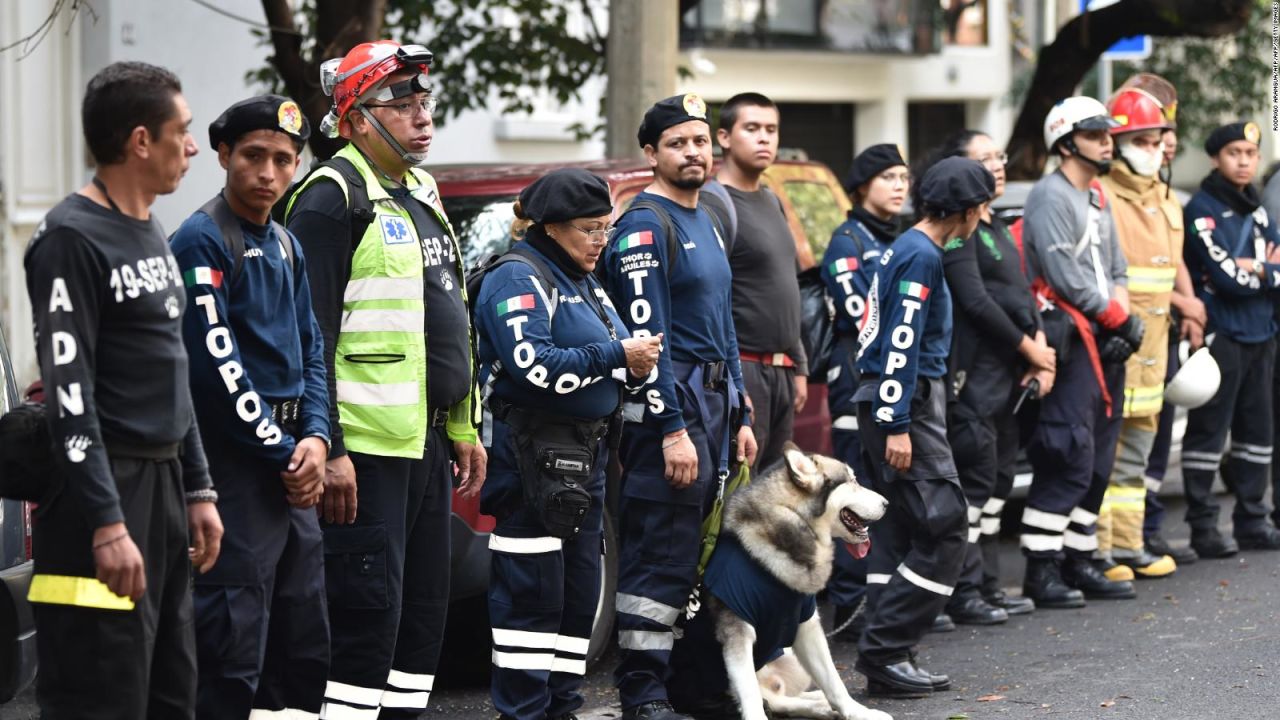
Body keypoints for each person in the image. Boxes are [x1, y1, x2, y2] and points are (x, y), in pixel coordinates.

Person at [282, 40, 487, 718]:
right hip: (364, 455)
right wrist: (330, 446)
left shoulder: (421, 191)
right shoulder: (329, 198)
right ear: (355, 120)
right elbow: (307, 339)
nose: (421, 115)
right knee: (365, 619)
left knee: (421, 621)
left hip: (425, 443)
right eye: (400, 104)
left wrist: (462, 424)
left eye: (423, 100)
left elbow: (447, 313)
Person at [22, 61, 223, 719]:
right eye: (183, 131)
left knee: (170, 690)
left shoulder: (151, 232)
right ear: (142, 141)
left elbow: (173, 371)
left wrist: (197, 488)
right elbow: (68, 392)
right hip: (100, 499)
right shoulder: (68, 239)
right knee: (103, 691)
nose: (193, 147)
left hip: (163, 493)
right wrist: (107, 523)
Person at [476, 169, 662, 720]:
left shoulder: (583, 277)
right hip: (533, 461)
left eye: (606, 228)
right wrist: (616, 358)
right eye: (590, 229)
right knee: (530, 600)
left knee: (579, 599)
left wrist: (630, 366)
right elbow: (532, 367)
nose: (602, 241)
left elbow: (617, 347)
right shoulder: (519, 277)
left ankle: (561, 707)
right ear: (552, 227)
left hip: (586, 461)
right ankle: (525, 711)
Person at [170, 95, 331, 718]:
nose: (269, 172)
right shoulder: (201, 241)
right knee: (233, 650)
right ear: (223, 156)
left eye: (284, 160)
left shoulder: (288, 244)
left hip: (293, 467)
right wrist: (287, 451)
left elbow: (311, 348)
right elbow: (217, 369)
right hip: (236, 470)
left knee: (302, 642)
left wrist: (316, 438)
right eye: (254, 156)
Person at [601, 93, 758, 720]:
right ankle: (643, 693)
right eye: (677, 143)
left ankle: (692, 687)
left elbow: (725, 324)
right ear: (652, 153)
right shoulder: (645, 225)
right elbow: (648, 342)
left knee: (703, 550)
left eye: (700, 140)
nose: (693, 152)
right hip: (675, 408)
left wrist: (742, 412)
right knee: (661, 551)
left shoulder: (709, 219)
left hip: (717, 407)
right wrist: (670, 429)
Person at [852, 156, 994, 698]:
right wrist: (897, 422)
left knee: (913, 527)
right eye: (981, 208)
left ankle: (892, 649)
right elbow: (902, 340)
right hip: (902, 403)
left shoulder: (911, 247)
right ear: (968, 211)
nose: (982, 217)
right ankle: (885, 651)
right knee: (945, 525)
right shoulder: (922, 256)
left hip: (897, 402)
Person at [1020, 96, 1139, 606]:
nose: (1107, 141)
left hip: (1105, 338)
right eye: (1095, 134)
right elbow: (1063, 274)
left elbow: (1116, 266)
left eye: (1108, 134)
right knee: (1068, 449)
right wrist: (1114, 317)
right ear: (1067, 142)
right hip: (1071, 339)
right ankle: (1041, 569)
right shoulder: (1050, 196)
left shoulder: (1097, 196)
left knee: (1099, 455)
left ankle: (1079, 556)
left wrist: (1123, 313)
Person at [930, 130, 1051, 624]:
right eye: (983, 160)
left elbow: (1020, 294)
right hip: (974, 377)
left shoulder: (995, 223)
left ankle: (989, 584)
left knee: (1000, 480)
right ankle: (963, 589)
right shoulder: (963, 231)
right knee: (976, 484)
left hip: (1007, 377)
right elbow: (976, 301)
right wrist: (1031, 349)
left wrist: (1037, 347)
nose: (997, 166)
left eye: (999, 156)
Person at [1092, 88, 1188, 580]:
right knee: (1104, 455)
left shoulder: (1164, 197)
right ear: (1116, 141)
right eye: (1141, 140)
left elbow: (1171, 269)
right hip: (1116, 342)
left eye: (1157, 140)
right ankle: (1099, 550)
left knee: (1134, 455)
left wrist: (1189, 306)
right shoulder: (1103, 196)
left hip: (1155, 345)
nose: (1152, 149)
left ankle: (1129, 546)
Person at [818, 143, 909, 640]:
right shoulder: (847, 242)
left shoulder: (901, 238)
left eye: (903, 177)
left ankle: (884, 601)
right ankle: (852, 604)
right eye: (888, 177)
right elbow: (863, 320)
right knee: (854, 497)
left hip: (889, 386)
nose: (899, 185)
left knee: (887, 497)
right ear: (861, 187)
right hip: (856, 386)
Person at [1179, 121, 1280, 556]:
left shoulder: (1258, 210)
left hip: (1262, 333)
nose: (1243, 161)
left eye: (1250, 153)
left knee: (1257, 434)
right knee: (1208, 432)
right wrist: (1263, 270)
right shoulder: (1201, 209)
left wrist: (1255, 269)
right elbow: (1225, 276)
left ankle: (1252, 521)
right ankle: (1203, 527)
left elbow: (1272, 271)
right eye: (1234, 153)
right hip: (1223, 335)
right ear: (1217, 159)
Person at [702, 92, 807, 472]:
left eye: (771, 129)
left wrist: (799, 365)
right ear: (725, 138)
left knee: (771, 502)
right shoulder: (714, 203)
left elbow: (785, 285)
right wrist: (734, 385)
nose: (764, 138)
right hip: (743, 371)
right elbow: (711, 299)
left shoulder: (772, 198)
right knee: (738, 497)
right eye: (752, 129)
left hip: (781, 371)